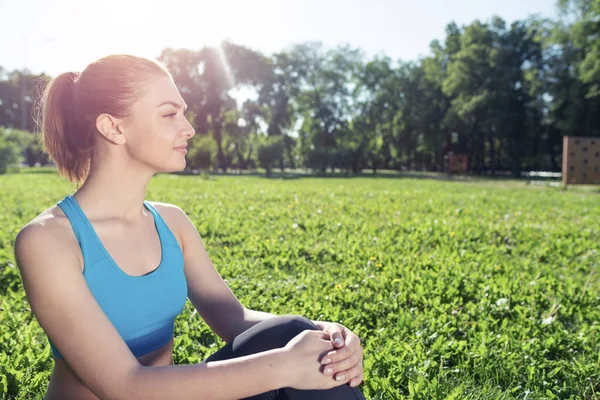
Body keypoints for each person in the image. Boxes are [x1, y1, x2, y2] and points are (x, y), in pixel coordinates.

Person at [13, 54, 366, 400]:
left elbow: (233, 317)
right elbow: (124, 387)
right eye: (169, 114)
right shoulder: (48, 241)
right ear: (114, 127)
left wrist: (325, 336)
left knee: (296, 333)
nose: (190, 128)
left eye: (183, 112)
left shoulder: (172, 222)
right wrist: (285, 365)